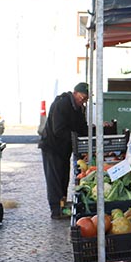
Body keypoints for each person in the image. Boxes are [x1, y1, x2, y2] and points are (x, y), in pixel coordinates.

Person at [39, 82, 89, 219]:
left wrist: (96, 128)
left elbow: (82, 127)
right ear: (75, 93)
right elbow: (58, 130)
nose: (83, 101)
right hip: (52, 147)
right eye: (82, 98)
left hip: (64, 149)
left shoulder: (79, 108)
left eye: (85, 99)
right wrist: (75, 138)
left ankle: (62, 203)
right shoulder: (62, 104)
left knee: (63, 177)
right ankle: (56, 210)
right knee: (54, 179)